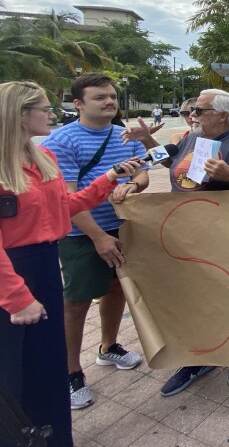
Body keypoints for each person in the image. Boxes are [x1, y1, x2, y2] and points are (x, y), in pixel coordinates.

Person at [0, 82, 142, 447]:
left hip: (44, 263)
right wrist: (16, 297)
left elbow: (63, 206)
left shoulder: (37, 158)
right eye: (44, 108)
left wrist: (108, 179)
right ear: (18, 114)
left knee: (43, 365)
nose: (52, 113)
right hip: (14, 273)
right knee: (13, 372)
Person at [123, 89, 229, 395]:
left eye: (199, 111)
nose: (192, 116)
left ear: (222, 115)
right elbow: (169, 163)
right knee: (194, 297)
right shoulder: (191, 137)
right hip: (185, 236)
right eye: (193, 112)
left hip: (227, 235)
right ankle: (197, 358)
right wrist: (147, 141)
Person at [41, 73, 149, 411]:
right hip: (81, 236)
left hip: (123, 229)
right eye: (100, 97)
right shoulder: (59, 141)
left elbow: (141, 172)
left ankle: (108, 347)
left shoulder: (125, 134)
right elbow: (68, 199)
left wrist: (135, 185)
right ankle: (71, 372)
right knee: (76, 302)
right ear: (78, 103)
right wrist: (98, 236)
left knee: (118, 290)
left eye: (112, 96)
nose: (109, 102)